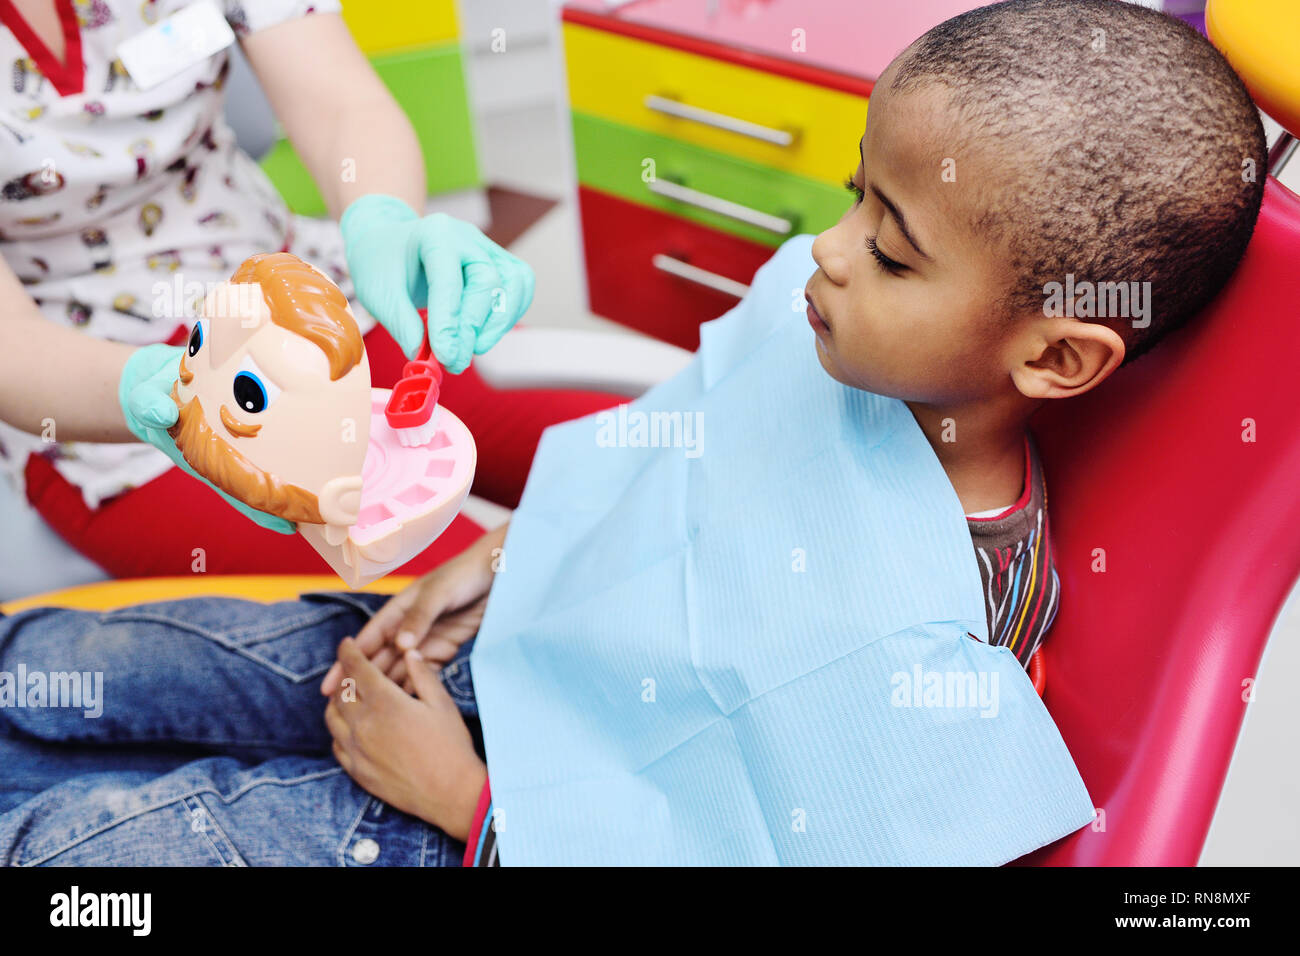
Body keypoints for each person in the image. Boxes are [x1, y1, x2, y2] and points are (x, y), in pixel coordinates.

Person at [0, 0, 1267, 865]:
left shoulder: (932, 651)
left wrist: (469, 801)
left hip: (480, 822)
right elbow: (665, 455)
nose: (821, 252)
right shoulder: (823, 334)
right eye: (851, 193)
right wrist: (499, 561)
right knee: (107, 664)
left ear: (1055, 354)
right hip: (499, 647)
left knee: (95, 848)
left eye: (886, 244)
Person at [0, 0, 618, 596]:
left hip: (304, 298)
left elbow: (339, 103)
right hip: (101, 390)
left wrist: (383, 219)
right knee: (477, 599)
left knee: (632, 460)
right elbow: (14, 347)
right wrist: (157, 395)